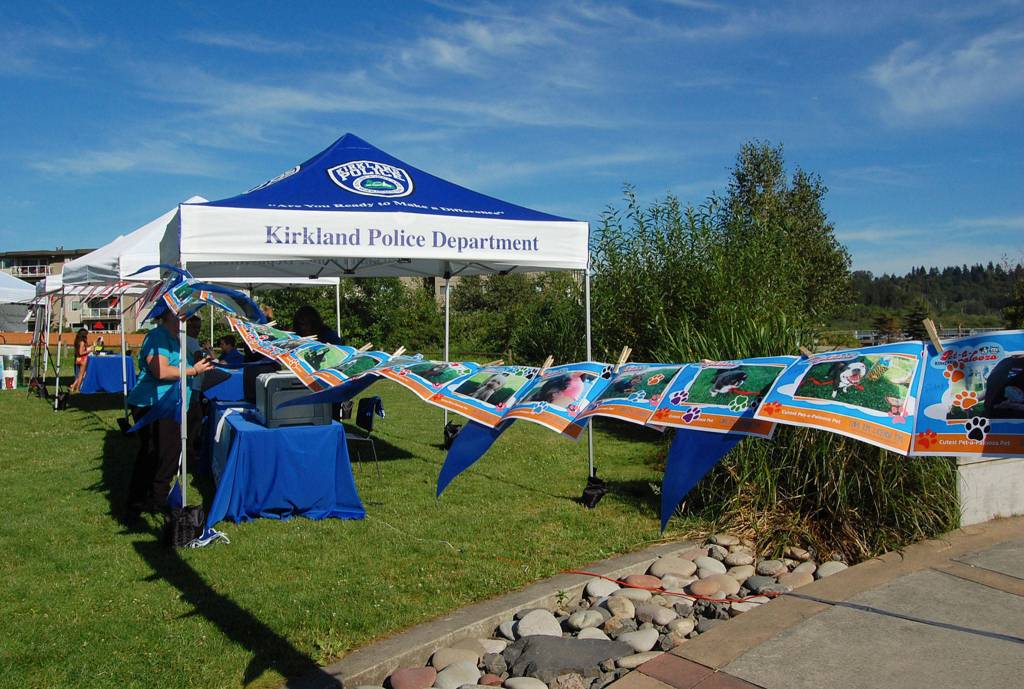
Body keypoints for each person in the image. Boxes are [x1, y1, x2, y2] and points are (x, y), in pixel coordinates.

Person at [125, 310, 213, 516]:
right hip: (154, 403)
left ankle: (144, 498)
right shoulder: (157, 337)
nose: (184, 319)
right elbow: (161, 371)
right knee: (164, 453)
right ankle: (156, 499)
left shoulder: (177, 338)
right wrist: (193, 371)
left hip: (171, 402)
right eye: (180, 315)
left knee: (159, 452)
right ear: (167, 316)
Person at [69, 328, 90, 393]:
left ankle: (73, 386)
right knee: (81, 375)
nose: (87, 336)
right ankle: (77, 388)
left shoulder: (77, 341)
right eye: (86, 335)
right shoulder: (82, 342)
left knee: (79, 375)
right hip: (83, 359)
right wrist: (89, 351)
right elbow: (81, 353)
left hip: (78, 358)